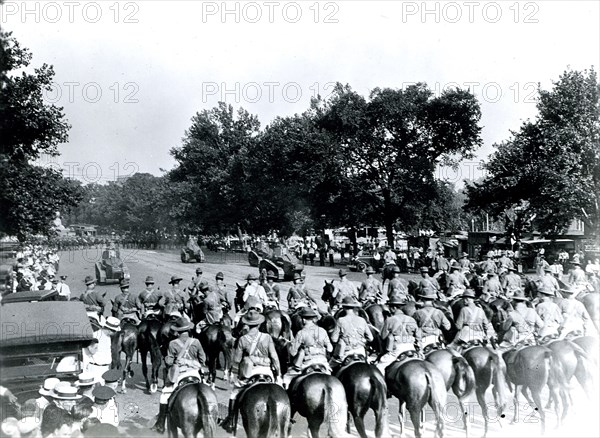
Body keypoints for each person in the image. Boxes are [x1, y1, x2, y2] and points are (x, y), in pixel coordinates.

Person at [221, 310, 281, 432]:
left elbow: (237, 361)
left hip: (250, 373)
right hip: (267, 372)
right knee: (280, 391)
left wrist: (235, 376)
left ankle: (231, 420)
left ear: (247, 324)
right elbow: (274, 357)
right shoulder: (267, 337)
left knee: (234, 393)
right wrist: (278, 374)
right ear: (259, 324)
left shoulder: (243, 339)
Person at [152, 317, 207, 433]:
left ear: (177, 331)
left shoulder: (172, 343)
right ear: (188, 329)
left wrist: (168, 359)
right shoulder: (196, 342)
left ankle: (161, 423)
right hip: (195, 373)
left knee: (165, 395)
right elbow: (203, 360)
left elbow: (169, 362)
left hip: (180, 374)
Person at [376, 296, 420, 373]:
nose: (389, 309)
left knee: (379, 366)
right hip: (411, 348)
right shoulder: (411, 319)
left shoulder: (390, 320)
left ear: (394, 308)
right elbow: (418, 336)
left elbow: (382, 337)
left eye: (390, 307)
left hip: (397, 350)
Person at [331, 297, 373, 365]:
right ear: (353, 307)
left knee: (330, 367)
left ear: (343, 307)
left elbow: (334, 339)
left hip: (345, 352)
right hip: (360, 351)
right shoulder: (362, 320)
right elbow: (371, 338)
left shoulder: (340, 320)